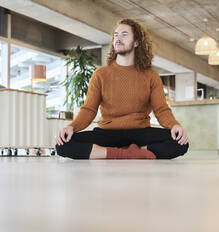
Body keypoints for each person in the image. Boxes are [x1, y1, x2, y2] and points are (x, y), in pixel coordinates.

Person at [55, 18, 189, 159]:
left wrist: (175, 125)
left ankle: (110, 152)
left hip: (141, 133)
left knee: (180, 142)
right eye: (116, 35)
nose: (118, 38)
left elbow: (161, 110)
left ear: (136, 42)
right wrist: (71, 127)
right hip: (108, 133)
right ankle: (133, 152)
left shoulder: (150, 75)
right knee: (63, 144)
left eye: (124, 34)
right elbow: (89, 109)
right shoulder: (100, 74)